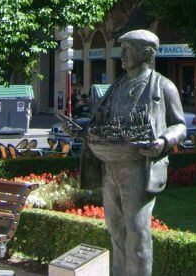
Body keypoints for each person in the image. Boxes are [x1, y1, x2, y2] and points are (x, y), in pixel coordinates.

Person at [78, 29, 186, 276]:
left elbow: (180, 126)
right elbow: (100, 120)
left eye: (128, 49)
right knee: (116, 231)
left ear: (146, 53)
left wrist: (163, 141)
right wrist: (82, 128)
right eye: (122, 48)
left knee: (137, 233)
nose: (122, 54)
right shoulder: (116, 86)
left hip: (139, 168)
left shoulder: (163, 86)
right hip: (110, 166)